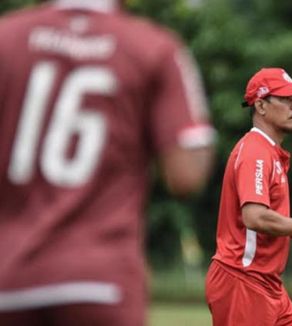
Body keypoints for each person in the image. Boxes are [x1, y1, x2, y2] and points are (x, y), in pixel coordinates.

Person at [0, 0, 215, 325]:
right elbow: (186, 175)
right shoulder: (154, 46)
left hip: (10, 276)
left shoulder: (7, 36)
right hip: (102, 277)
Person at [205, 67, 292, 326]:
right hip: (243, 280)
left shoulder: (270, 152)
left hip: (267, 285)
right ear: (261, 106)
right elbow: (254, 217)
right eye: (286, 99)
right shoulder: (255, 150)